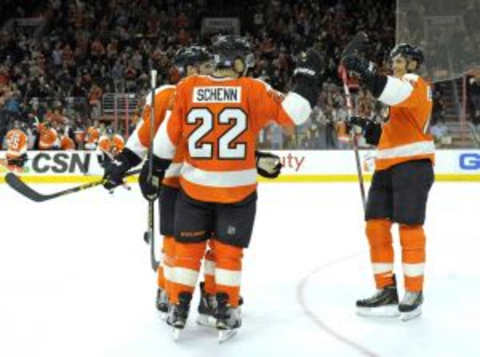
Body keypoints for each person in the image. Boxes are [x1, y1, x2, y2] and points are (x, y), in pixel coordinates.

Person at [104, 35, 324, 341]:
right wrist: (306, 79)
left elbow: (164, 139)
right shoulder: (253, 88)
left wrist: (152, 166)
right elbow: (294, 113)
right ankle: (220, 303)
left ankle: (180, 302)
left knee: (185, 249)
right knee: (224, 252)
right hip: (232, 188)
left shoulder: (186, 90)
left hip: (192, 184)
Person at [343, 42, 434, 321]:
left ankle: (414, 290)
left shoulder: (414, 83)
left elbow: (387, 89)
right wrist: (364, 127)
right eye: (393, 60)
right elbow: (387, 134)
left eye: (401, 60)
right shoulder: (395, 95)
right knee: (375, 227)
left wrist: (365, 70)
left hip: (412, 164)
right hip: (386, 166)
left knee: (409, 226)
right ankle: (385, 288)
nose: (395, 64)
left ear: (413, 64)